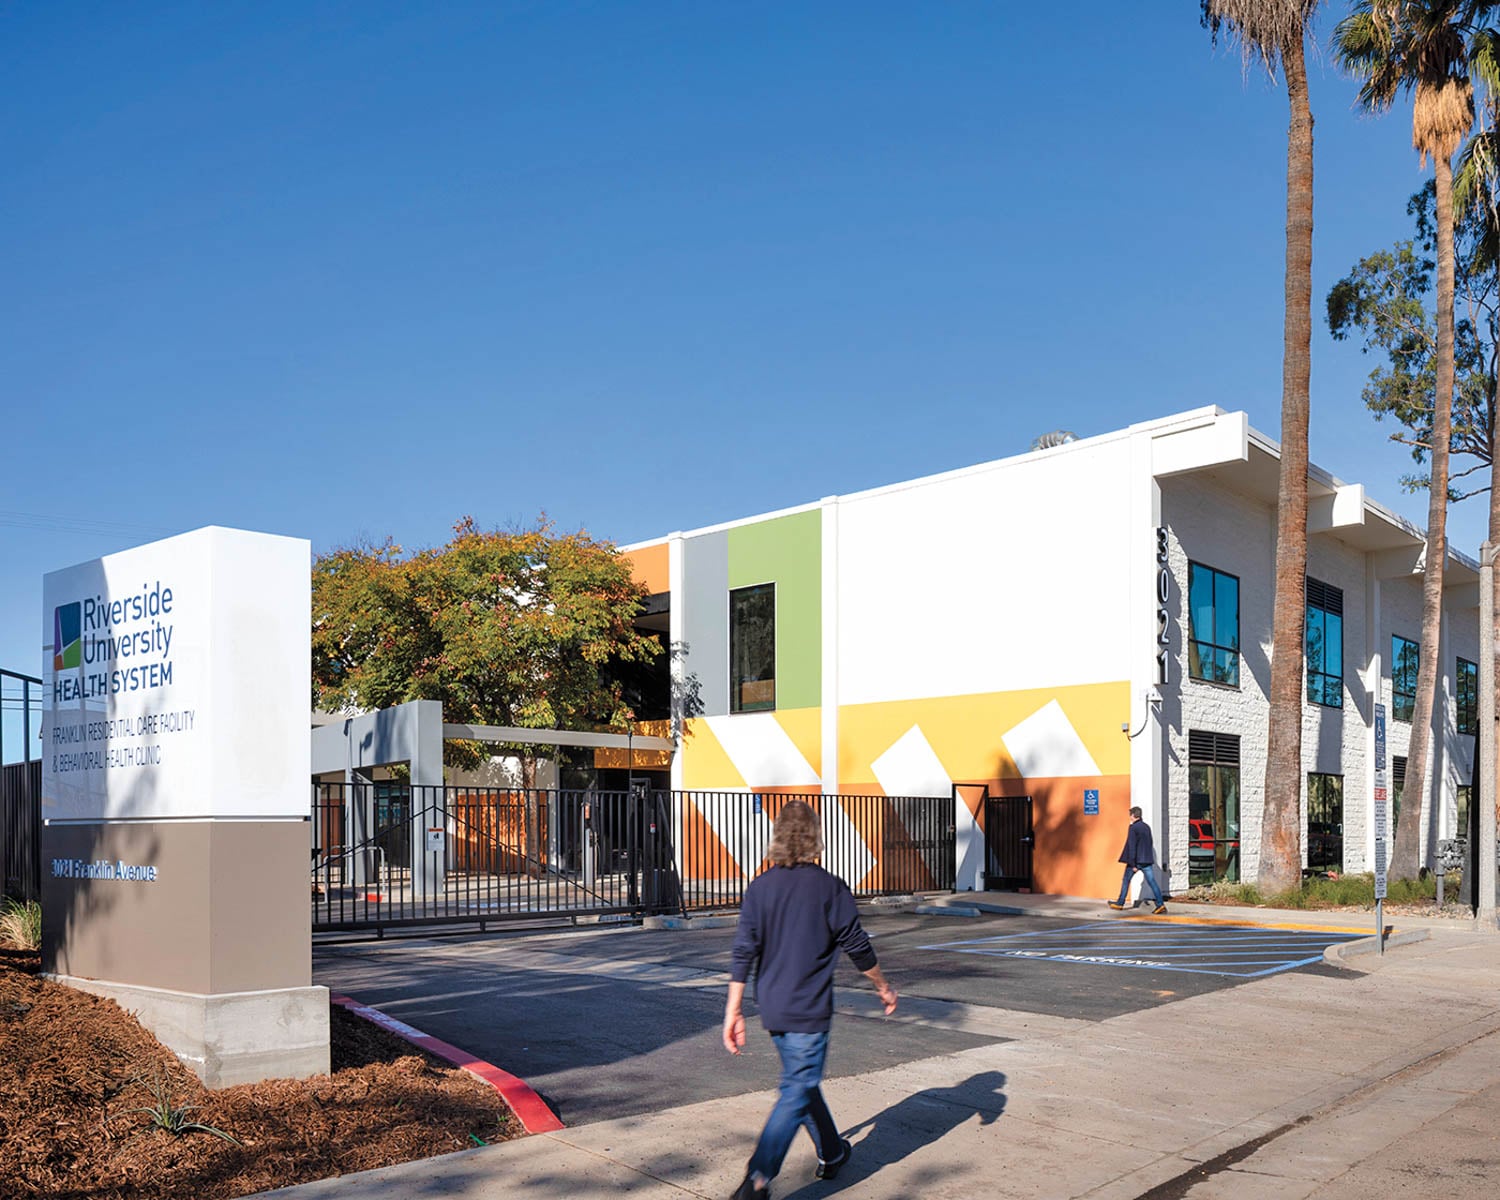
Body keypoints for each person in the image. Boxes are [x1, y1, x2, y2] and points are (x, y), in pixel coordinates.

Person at [723, 800, 898, 1199]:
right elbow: (858, 946)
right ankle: (758, 1178)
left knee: (802, 1083)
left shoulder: (759, 888)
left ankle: (832, 1151)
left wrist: (733, 1011)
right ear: (815, 838)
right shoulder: (829, 888)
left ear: (778, 836)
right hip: (809, 1009)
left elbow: (742, 952)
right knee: (797, 1086)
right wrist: (883, 987)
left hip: (773, 1007)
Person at [1109, 805, 1167, 914]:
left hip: (1136, 861)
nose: (1129, 817)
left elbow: (1132, 846)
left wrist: (1133, 864)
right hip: (1147, 860)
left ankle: (1120, 903)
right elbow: (1149, 843)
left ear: (1133, 815)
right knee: (1152, 882)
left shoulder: (1133, 828)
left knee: (1126, 880)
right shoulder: (1146, 827)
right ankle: (1160, 904)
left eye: (1130, 815)